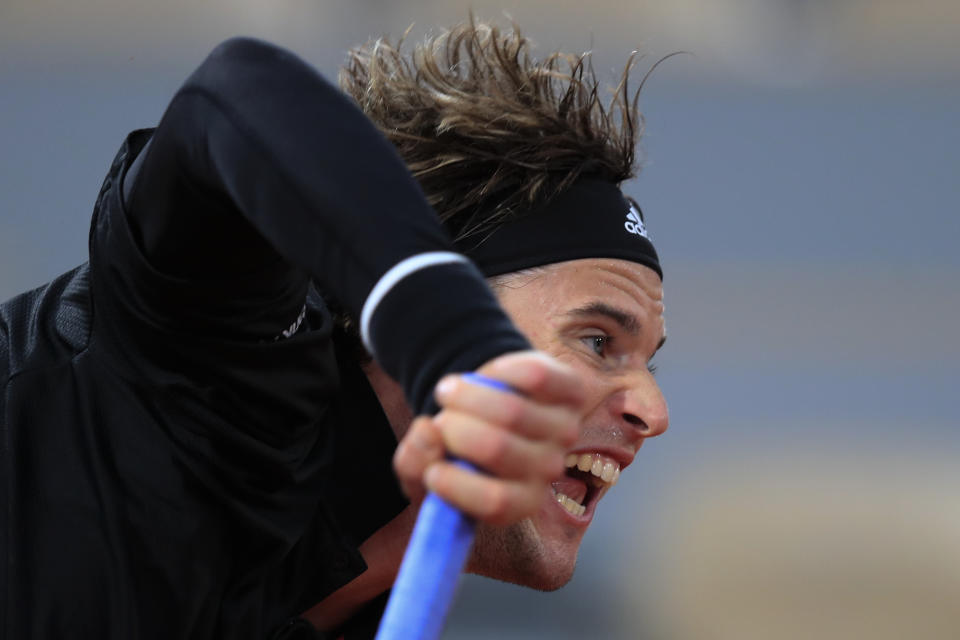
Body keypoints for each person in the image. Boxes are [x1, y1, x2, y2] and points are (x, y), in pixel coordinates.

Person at [0, 19, 667, 640]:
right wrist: (461, 349)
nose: (653, 411)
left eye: (649, 363)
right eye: (597, 341)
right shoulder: (201, 361)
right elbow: (237, 91)